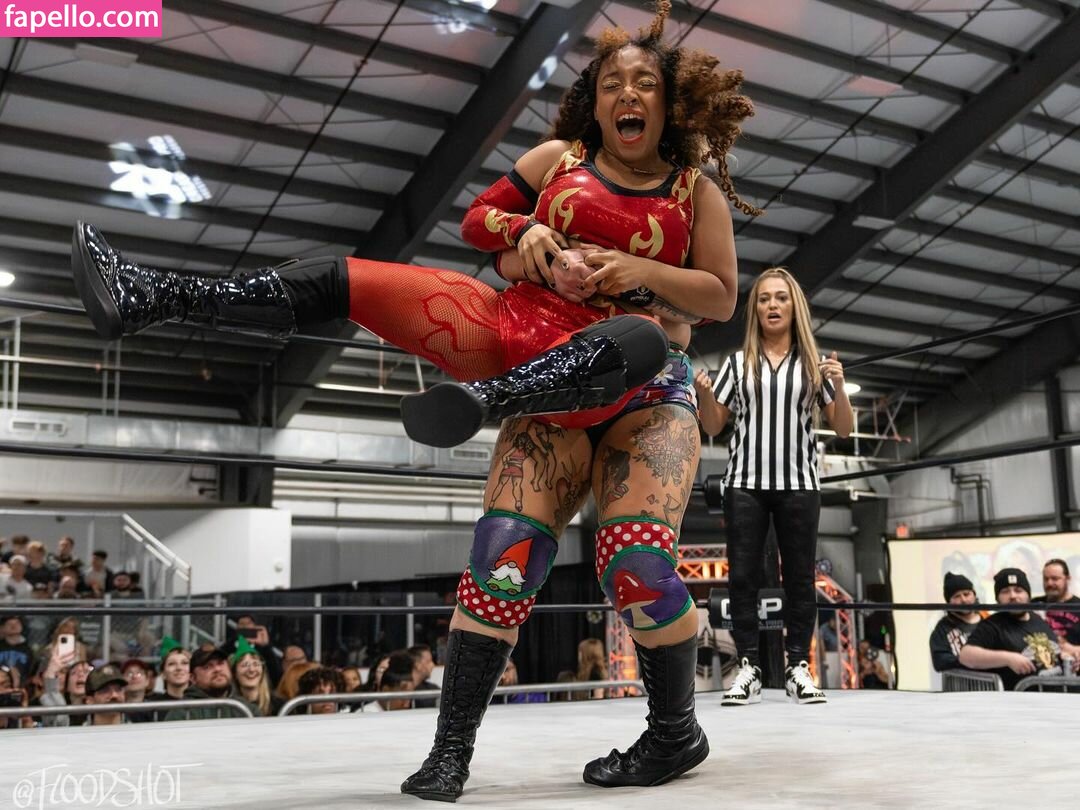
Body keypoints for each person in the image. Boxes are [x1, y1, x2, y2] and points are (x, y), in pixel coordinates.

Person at [68, 0, 756, 799]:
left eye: (644, 84)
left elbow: (719, 297)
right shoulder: (556, 159)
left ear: (670, 105)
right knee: (498, 558)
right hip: (527, 343)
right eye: (612, 83)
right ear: (594, 103)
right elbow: (479, 221)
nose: (627, 94)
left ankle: (674, 734)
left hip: (641, 393)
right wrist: (527, 238)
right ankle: (156, 295)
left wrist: (638, 272)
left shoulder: (693, 192)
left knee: (636, 564)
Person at [695, 267, 853, 706]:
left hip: (799, 483)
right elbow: (713, 425)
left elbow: (843, 427)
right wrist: (704, 394)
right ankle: (748, 666)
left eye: (781, 297)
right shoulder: (737, 363)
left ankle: (798, 666)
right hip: (744, 482)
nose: (772, 305)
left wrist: (840, 386)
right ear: (756, 309)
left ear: (793, 305)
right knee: (743, 576)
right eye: (764, 298)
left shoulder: (813, 364)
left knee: (800, 576)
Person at [959, 568, 1072, 690]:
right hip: (1025, 699)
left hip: (1060, 693)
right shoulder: (992, 626)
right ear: (997, 599)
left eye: (1018, 590)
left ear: (1028, 595)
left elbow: (1050, 649)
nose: (1013, 596)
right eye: (1005, 591)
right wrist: (1008, 658)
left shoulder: (1037, 618)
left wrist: (1063, 656)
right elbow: (966, 656)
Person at [930, 572, 982, 672]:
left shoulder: (988, 620)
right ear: (948, 602)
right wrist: (970, 661)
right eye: (957, 596)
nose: (963, 600)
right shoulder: (942, 629)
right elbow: (940, 661)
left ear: (974, 594)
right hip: (960, 681)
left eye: (966, 594)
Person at [1033, 559, 1080, 657]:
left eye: (1055, 578)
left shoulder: (1077, 606)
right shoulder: (1033, 604)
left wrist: (1073, 649)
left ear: (1068, 579)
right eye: (1046, 579)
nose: (1049, 583)